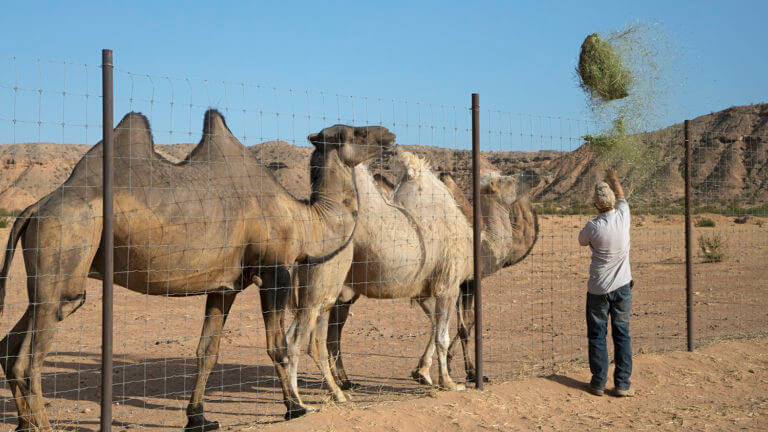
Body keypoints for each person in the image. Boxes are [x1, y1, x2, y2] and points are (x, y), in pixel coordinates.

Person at [578, 168, 633, 397]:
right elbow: (622, 196)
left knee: (597, 335)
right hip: (622, 287)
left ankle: (598, 382)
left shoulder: (592, 227)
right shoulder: (623, 215)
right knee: (622, 334)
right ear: (613, 201)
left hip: (598, 289)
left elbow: (581, 241)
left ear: (595, 205)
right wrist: (614, 177)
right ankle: (621, 384)